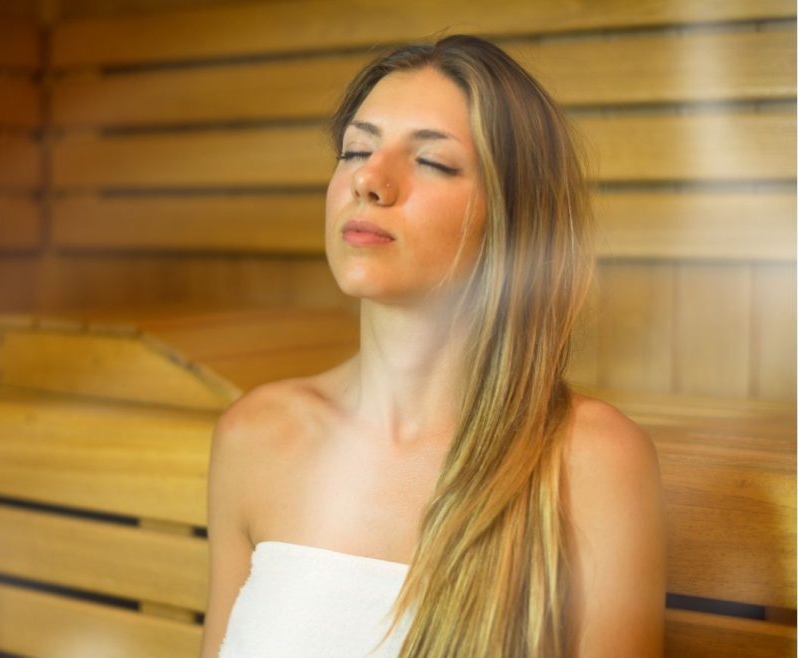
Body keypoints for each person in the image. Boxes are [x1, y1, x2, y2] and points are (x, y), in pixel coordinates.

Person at [200, 34, 665, 658]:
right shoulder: (256, 436)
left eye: (432, 162)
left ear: (514, 220)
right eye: (356, 150)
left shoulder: (591, 463)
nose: (369, 179)